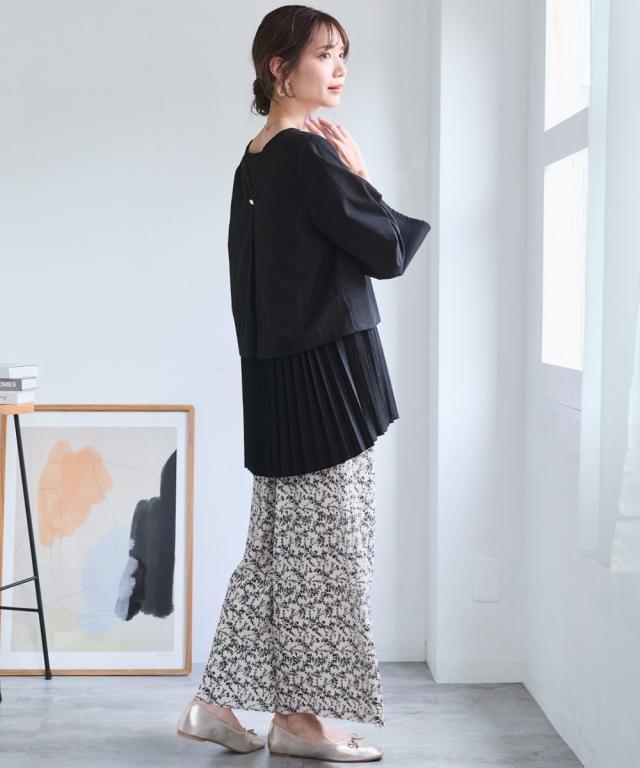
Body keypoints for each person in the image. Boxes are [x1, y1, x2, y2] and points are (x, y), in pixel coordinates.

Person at [176, 5, 430, 762]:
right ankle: (301, 721)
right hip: (327, 385)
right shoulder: (310, 155)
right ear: (279, 68)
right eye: (324, 54)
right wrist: (362, 176)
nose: (339, 67)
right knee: (328, 554)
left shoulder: (254, 158)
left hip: (278, 382)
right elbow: (387, 251)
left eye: (342, 53)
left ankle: (218, 705)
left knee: (278, 551)